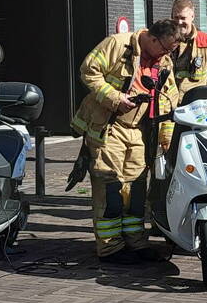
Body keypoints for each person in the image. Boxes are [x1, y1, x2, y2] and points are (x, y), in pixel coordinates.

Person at [70, 19, 181, 264]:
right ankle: (110, 249)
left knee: (136, 189)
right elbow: (88, 71)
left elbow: (170, 97)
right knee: (110, 187)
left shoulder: (163, 59)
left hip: (140, 130)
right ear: (152, 39)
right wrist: (114, 98)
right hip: (110, 127)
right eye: (165, 48)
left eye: (171, 51)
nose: (167, 54)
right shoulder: (116, 45)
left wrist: (165, 136)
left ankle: (136, 243)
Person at [169, 0, 207, 99]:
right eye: (176, 18)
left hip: (198, 109)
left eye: (183, 18)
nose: (179, 22)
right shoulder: (164, 43)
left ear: (192, 16)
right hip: (171, 108)